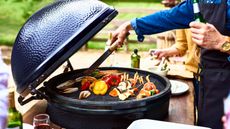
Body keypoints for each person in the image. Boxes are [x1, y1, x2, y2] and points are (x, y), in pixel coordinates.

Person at [110, 0, 230, 129]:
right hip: (211, 81)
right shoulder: (199, 2)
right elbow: (168, 17)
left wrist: (222, 42)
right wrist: (130, 25)